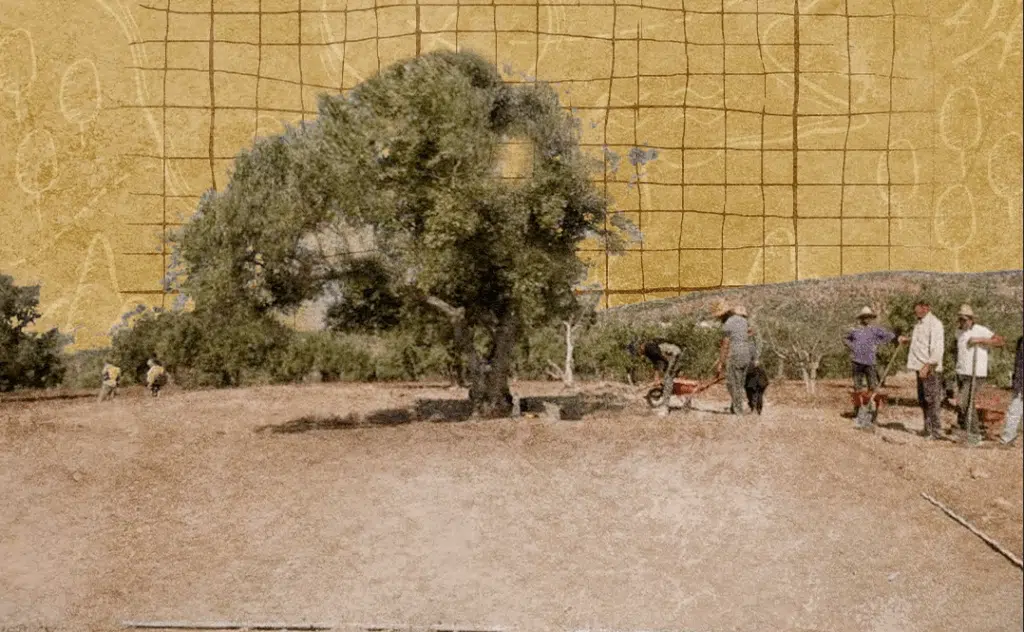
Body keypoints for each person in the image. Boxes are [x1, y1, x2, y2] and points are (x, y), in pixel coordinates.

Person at [952, 304, 1004, 437]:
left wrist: (980, 340)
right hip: (962, 372)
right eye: (961, 319)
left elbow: (1000, 341)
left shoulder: (980, 330)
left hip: (976, 373)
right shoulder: (958, 332)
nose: (962, 322)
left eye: (965, 319)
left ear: (971, 319)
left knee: (965, 402)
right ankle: (965, 429)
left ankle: (974, 432)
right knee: (963, 403)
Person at [898, 300, 946, 440]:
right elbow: (920, 342)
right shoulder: (919, 324)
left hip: (929, 368)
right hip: (919, 367)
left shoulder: (935, 324)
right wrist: (907, 340)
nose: (915, 312)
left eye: (917, 309)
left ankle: (935, 431)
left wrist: (928, 366)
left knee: (932, 399)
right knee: (923, 399)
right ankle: (928, 428)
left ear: (925, 308)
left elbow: (938, 348)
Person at [713, 299, 754, 415]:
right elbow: (751, 332)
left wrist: (720, 363)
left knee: (731, 383)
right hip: (746, 354)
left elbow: (725, 345)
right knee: (740, 383)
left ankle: (738, 410)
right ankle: (736, 407)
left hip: (735, 354)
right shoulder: (744, 321)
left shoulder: (727, 324)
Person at [628, 338, 684, 416]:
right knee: (667, 376)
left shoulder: (648, 348)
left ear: (638, 347)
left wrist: (657, 377)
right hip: (671, 354)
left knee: (668, 379)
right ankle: (672, 394)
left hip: (674, 353)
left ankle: (665, 408)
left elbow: (660, 360)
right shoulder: (648, 348)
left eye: (637, 352)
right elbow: (656, 362)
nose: (638, 354)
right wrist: (657, 377)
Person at [999, 335, 1023, 445]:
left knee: (1014, 409)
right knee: (1014, 409)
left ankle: (1008, 436)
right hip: (1020, 381)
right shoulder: (1021, 340)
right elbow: (1018, 364)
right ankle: (1008, 437)